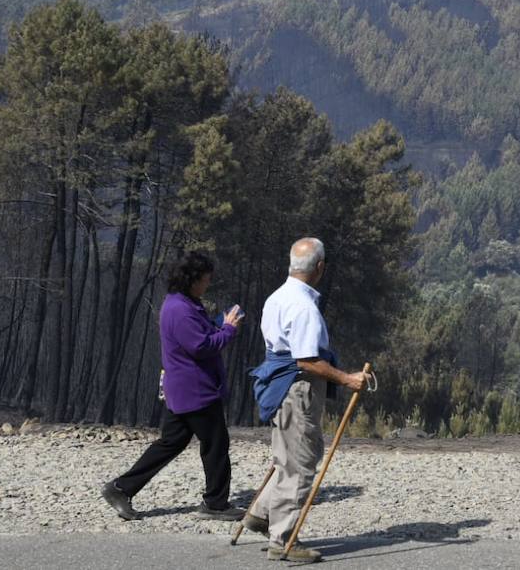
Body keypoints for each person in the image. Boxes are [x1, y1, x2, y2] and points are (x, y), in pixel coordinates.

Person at [242, 237, 368, 564]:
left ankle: (261, 513)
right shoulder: (304, 307)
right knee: (301, 462)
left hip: (280, 387)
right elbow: (307, 360)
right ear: (320, 267)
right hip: (298, 388)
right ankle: (283, 539)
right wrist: (347, 378)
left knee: (286, 457)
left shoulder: (277, 297)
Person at [101, 251, 246, 521]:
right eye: (205, 279)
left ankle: (121, 488)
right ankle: (215, 504)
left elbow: (198, 338)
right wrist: (228, 330)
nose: (208, 284)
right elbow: (200, 347)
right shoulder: (181, 309)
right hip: (196, 389)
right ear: (193, 279)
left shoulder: (182, 303)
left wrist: (217, 326)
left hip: (183, 388)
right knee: (216, 444)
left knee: (171, 442)